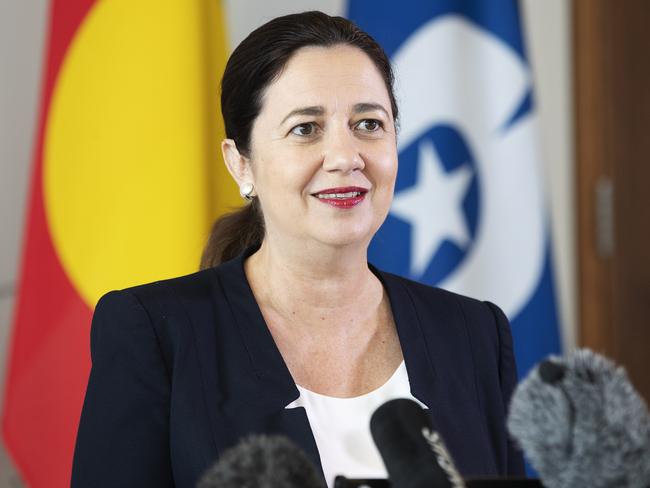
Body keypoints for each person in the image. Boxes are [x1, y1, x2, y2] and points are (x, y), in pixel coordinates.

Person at [71, 11, 525, 488]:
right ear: (241, 163)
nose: (347, 156)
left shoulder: (475, 334)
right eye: (306, 129)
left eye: (368, 123)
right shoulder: (156, 333)